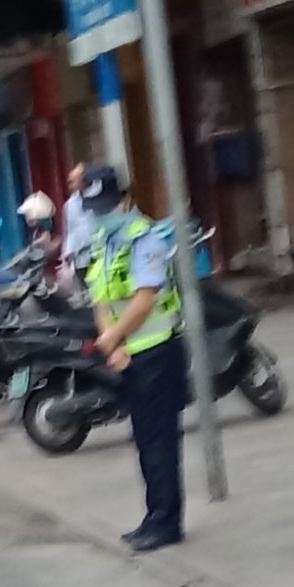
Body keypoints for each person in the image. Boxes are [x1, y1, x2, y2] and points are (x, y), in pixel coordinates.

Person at [82, 163, 188, 551]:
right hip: (128, 355)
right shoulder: (104, 242)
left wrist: (114, 338)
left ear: (125, 199)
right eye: (96, 209)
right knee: (145, 442)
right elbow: (101, 297)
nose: (102, 215)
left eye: (107, 206)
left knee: (160, 444)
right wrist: (114, 345)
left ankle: (166, 523)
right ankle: (153, 516)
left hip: (158, 352)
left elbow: (146, 300)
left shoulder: (146, 239)